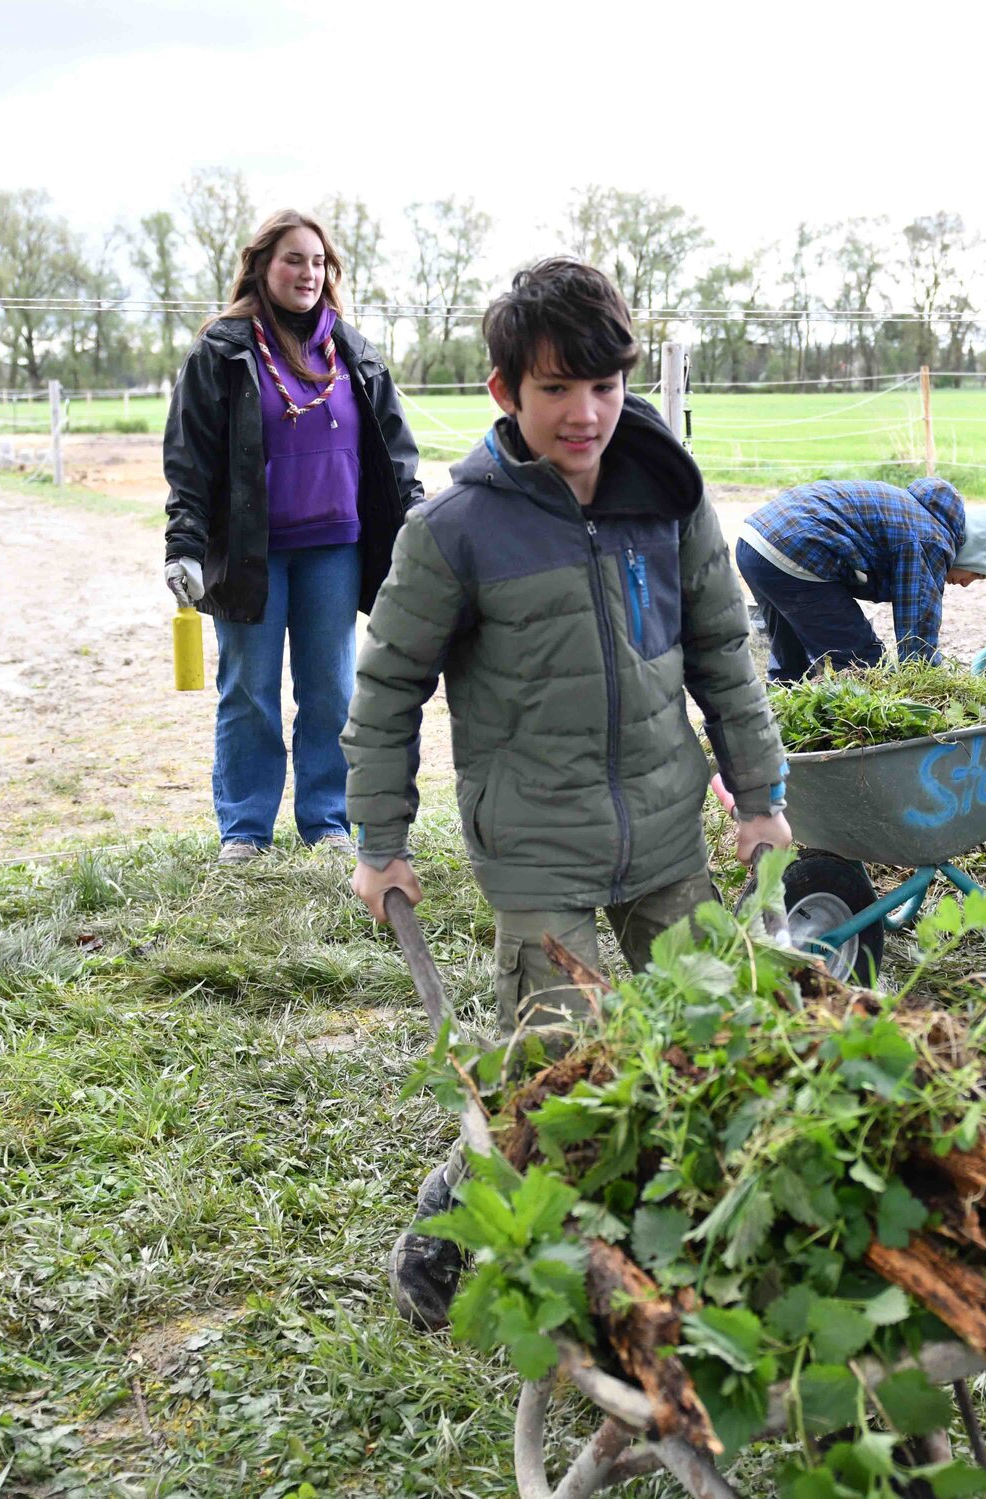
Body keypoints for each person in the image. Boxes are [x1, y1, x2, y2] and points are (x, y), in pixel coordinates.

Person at [341, 259, 790, 1329]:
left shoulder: (668, 501)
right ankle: (446, 1236)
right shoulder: (452, 531)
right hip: (534, 843)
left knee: (717, 1040)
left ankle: (706, 1233)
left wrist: (758, 788)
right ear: (503, 391)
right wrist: (377, 838)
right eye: (553, 389)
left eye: (603, 386)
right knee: (556, 1074)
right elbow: (389, 683)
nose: (584, 414)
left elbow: (723, 647)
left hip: (665, 824)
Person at [162, 210, 423, 865]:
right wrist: (183, 544)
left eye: (318, 262)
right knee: (249, 689)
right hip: (250, 549)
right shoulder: (223, 349)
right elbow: (189, 457)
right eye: (293, 260)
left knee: (331, 688)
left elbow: (396, 453)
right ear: (261, 266)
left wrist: (419, 529)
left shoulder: (354, 351)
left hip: (335, 548)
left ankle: (327, 822)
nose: (307, 273)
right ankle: (245, 830)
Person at [733, 477, 986, 679]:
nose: (968, 583)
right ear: (974, 548)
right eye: (977, 573)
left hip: (755, 541)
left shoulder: (914, 514)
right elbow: (917, 632)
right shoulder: (930, 538)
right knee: (863, 662)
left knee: (791, 660)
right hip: (798, 550)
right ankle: (863, 749)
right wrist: (927, 688)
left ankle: (776, 741)